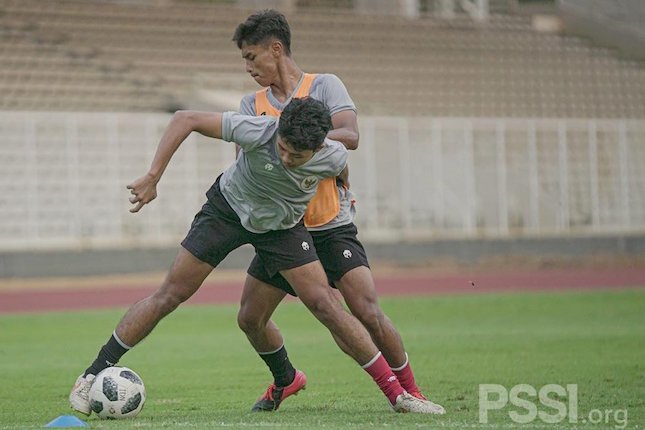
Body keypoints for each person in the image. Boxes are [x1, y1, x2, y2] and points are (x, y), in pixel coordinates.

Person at [68, 97, 440, 416]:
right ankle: (91, 375)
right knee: (171, 294)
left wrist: (344, 192)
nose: (287, 157)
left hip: (281, 227)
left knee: (324, 302)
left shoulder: (332, 155)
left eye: (298, 155)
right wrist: (153, 175)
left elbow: (340, 168)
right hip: (227, 211)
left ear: (318, 147)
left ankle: (397, 395)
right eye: (283, 148)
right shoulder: (259, 130)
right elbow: (186, 119)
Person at [232, 9, 445, 414]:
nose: (247, 68)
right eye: (244, 59)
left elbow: (350, 135)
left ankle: (412, 391)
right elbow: (247, 162)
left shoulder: (324, 86)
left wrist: (300, 136)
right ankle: (286, 378)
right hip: (285, 231)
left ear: (275, 49)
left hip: (330, 227)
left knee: (366, 311)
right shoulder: (250, 103)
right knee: (249, 319)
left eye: (251, 57)